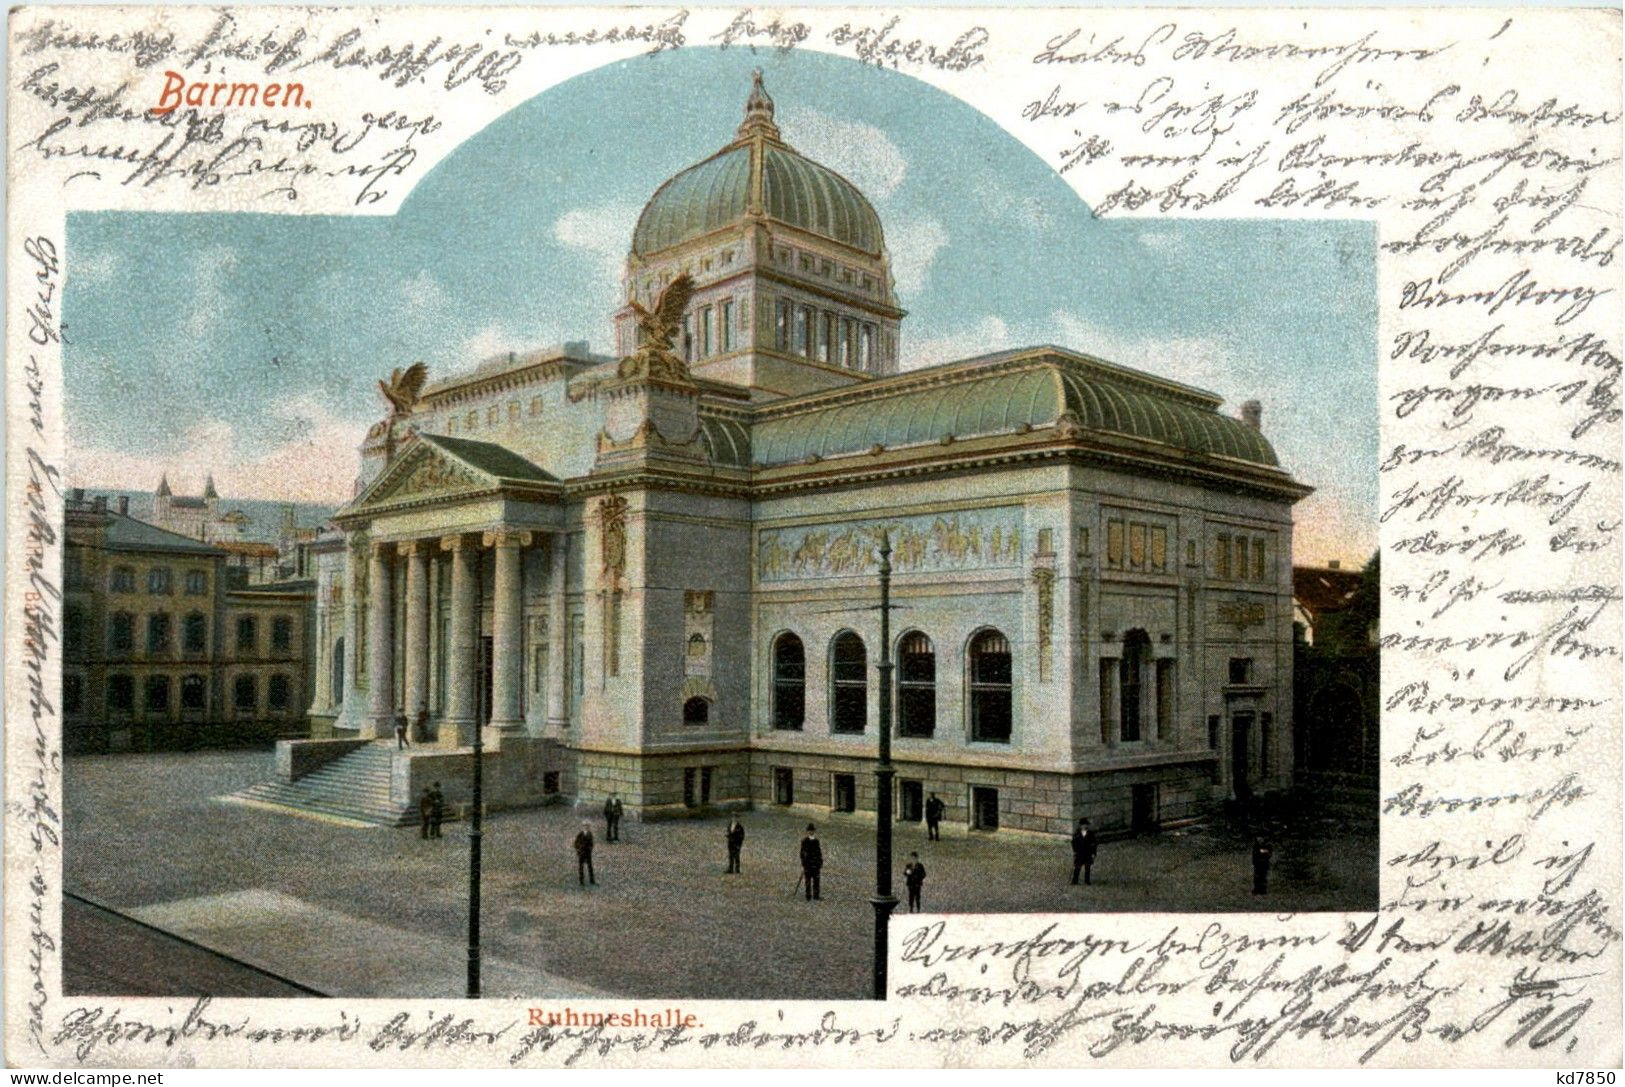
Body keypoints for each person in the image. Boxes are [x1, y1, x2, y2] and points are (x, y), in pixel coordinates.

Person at [799, 824, 823, 900]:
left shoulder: (816, 841)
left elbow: (819, 852)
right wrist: (803, 863)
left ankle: (816, 896)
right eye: (809, 831)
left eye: (812, 831)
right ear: (807, 831)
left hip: (815, 864)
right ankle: (808, 896)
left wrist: (820, 862)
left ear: (814, 831)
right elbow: (802, 853)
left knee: (816, 881)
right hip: (808, 864)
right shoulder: (804, 841)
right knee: (808, 881)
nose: (811, 832)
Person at [1071, 818, 1097, 885]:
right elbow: (1074, 843)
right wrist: (1074, 851)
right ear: (1081, 826)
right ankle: (1075, 880)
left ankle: (1087, 880)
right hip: (1079, 853)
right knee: (1077, 867)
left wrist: (1094, 853)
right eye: (1084, 825)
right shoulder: (1077, 834)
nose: (1085, 826)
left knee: (1087, 867)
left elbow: (1094, 844)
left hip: (1088, 853)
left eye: (1086, 825)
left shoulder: (1091, 834)